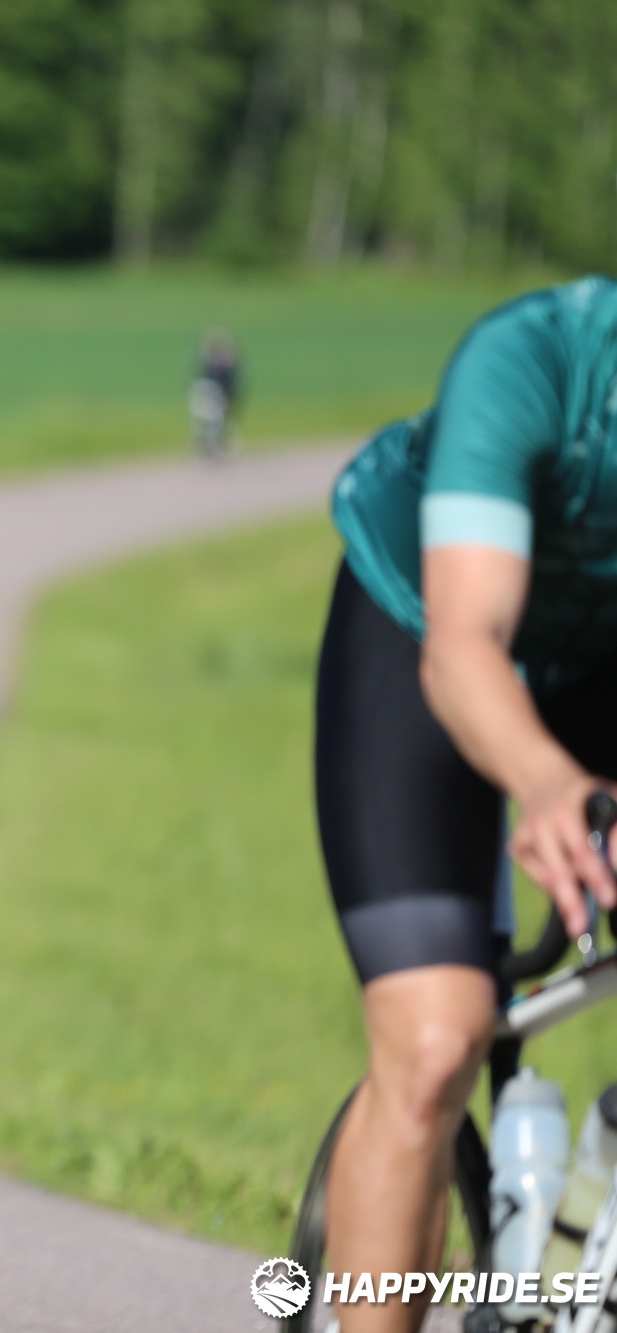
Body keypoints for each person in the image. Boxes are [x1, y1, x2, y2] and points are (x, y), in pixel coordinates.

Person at [317, 276, 617, 1333]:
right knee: (436, 1040)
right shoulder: (535, 360)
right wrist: (547, 781)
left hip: (599, 663)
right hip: (423, 630)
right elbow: (464, 645)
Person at [189, 328, 240, 460]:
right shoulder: (210, 364)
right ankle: (208, 448)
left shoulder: (227, 364)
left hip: (224, 396)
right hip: (211, 396)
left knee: (223, 424)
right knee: (209, 426)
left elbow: (231, 383)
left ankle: (221, 447)